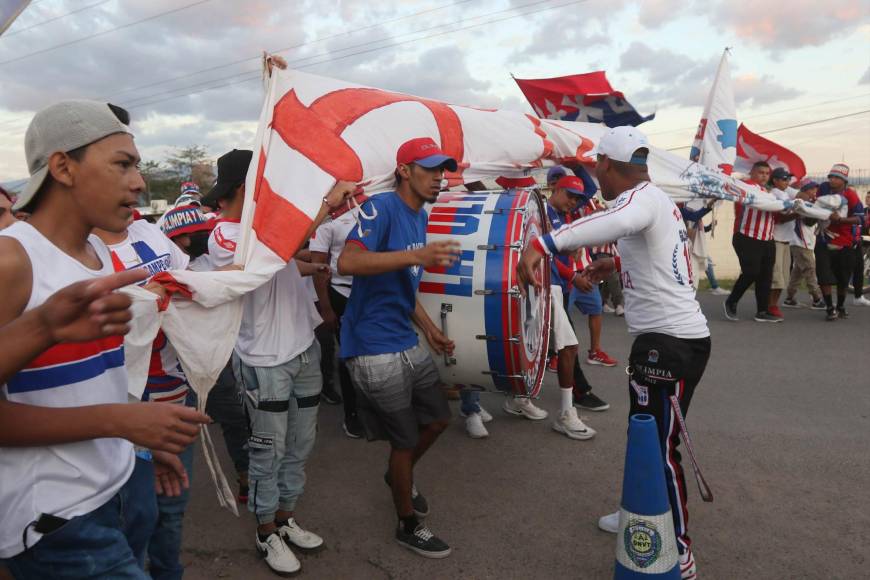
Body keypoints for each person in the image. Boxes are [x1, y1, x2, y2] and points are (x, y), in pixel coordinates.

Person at [0, 100, 209, 579]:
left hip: (120, 489)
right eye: (122, 164)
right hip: (58, 520)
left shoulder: (97, 251)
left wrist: (137, 443)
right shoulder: (12, 261)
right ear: (62, 167)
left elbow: (97, 382)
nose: (138, 181)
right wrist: (122, 419)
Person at [518, 126, 711, 579]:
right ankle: (639, 511)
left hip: (670, 344)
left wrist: (545, 242)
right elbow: (657, 256)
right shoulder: (657, 199)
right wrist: (615, 263)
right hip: (670, 341)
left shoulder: (638, 199)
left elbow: (619, 219)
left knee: (662, 447)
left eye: (596, 168)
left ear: (606, 163)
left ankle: (679, 550)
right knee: (645, 436)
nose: (594, 178)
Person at [201, 148, 351, 575]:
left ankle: (285, 520)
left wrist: (311, 264)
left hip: (303, 350)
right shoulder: (224, 234)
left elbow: (283, 262)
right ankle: (265, 530)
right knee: (269, 451)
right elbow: (266, 259)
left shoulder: (265, 230)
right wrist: (326, 205)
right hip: (264, 362)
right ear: (246, 188)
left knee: (300, 446)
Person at [338, 137, 460, 558]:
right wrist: (418, 255)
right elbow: (348, 262)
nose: (439, 179)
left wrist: (429, 330)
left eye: (443, 171)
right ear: (405, 171)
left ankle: (397, 477)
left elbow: (404, 289)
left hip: (405, 339)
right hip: (373, 345)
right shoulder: (383, 207)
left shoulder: (419, 216)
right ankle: (408, 524)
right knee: (404, 441)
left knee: (439, 420)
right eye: (430, 170)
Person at [94, 214, 198, 580]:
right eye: (121, 165)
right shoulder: (81, 253)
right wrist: (145, 299)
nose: (135, 181)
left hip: (175, 391)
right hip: (123, 401)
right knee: (134, 513)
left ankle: (169, 572)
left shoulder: (148, 232)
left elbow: (194, 282)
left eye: (137, 166)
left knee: (172, 503)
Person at [535, 174, 598, 440]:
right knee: (568, 347)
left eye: (577, 198)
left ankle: (518, 398)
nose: (573, 202)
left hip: (557, 287)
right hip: (544, 287)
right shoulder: (541, 212)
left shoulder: (561, 215)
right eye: (569, 195)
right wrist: (571, 274)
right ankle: (566, 412)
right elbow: (542, 256)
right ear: (553, 188)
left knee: (540, 348)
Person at [310, 209, 364, 436]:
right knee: (349, 355)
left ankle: (372, 407)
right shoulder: (327, 223)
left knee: (371, 353)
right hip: (341, 295)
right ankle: (351, 414)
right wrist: (326, 308)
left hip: (369, 294)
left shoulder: (371, 212)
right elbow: (318, 268)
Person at [723, 161, 781, 322]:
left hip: (767, 238)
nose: (764, 176)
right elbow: (759, 200)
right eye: (761, 172)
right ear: (752, 173)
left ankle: (762, 311)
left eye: (767, 173)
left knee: (766, 276)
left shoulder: (769, 193)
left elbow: (776, 215)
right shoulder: (746, 187)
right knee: (751, 272)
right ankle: (731, 301)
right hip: (746, 236)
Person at [815, 163, 866, 319]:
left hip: (845, 243)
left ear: (844, 180)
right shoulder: (823, 189)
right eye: (831, 176)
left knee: (843, 279)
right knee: (823, 276)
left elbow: (860, 219)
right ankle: (830, 308)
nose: (832, 180)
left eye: (837, 177)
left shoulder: (851, 195)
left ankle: (841, 306)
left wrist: (841, 220)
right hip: (823, 240)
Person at [783, 181, 824, 309]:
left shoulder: (810, 203)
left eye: (815, 190)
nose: (814, 193)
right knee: (810, 269)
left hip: (806, 242)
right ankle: (817, 298)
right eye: (812, 190)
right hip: (801, 242)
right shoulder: (800, 202)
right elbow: (809, 221)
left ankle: (789, 298)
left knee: (798, 271)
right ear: (805, 191)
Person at [766, 167, 799, 319]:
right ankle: (770, 306)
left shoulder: (786, 194)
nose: (787, 182)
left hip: (786, 240)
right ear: (775, 180)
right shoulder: (773, 195)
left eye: (788, 179)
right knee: (776, 277)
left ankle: (773, 304)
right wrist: (797, 214)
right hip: (777, 239)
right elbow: (778, 218)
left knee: (784, 277)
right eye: (784, 179)